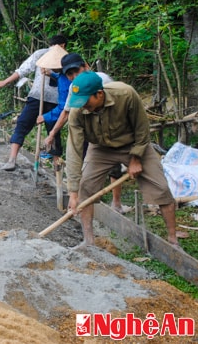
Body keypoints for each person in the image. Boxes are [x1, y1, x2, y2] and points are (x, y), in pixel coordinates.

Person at [65, 71, 180, 249]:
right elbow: (74, 150)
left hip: (134, 143)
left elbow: (142, 129)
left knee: (161, 189)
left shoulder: (126, 95)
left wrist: (136, 158)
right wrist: (73, 193)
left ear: (99, 94)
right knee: (84, 188)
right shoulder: (77, 112)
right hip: (101, 148)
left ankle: (173, 242)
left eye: (86, 101)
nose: (83, 106)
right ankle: (88, 242)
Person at [43, 53, 127, 213]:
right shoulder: (74, 89)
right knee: (83, 160)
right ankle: (84, 198)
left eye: (77, 71)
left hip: (112, 127)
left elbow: (120, 104)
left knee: (115, 163)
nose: (74, 77)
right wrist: (52, 133)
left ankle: (116, 203)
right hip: (89, 129)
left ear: (86, 66)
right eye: (70, 74)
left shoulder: (104, 80)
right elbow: (67, 112)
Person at [0, 35, 67, 171]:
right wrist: (4, 82)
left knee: (54, 132)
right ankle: (12, 160)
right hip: (38, 96)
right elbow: (23, 70)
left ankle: (57, 167)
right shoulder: (41, 54)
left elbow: (68, 78)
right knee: (24, 124)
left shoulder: (66, 59)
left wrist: (52, 74)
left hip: (56, 101)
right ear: (62, 45)